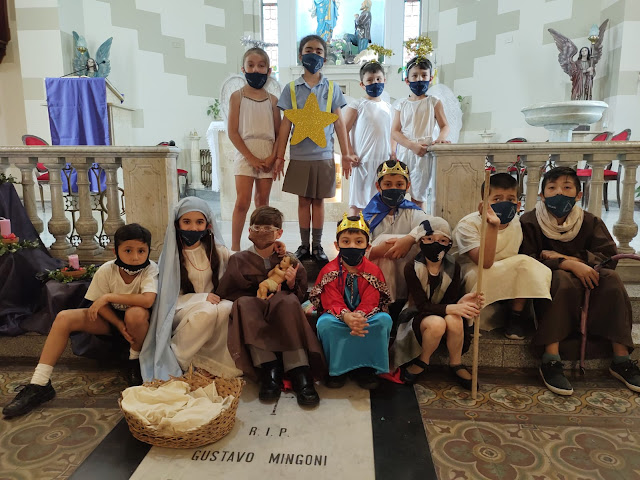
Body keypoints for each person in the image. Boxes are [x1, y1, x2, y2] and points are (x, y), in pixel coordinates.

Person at [2, 224, 158, 418]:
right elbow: (99, 305)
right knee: (64, 318)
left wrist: (109, 297)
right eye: (128, 250)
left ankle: (134, 361)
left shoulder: (150, 269)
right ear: (115, 251)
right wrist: (118, 324)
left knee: (135, 314)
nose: (135, 257)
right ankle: (40, 383)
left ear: (148, 251)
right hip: (111, 320)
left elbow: (147, 300)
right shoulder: (107, 270)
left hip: (139, 324)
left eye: (141, 251)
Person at [520, 167, 640, 395]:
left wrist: (573, 260)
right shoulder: (530, 222)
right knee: (562, 281)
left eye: (567, 187)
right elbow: (526, 260)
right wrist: (565, 265)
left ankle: (621, 359)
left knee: (612, 280)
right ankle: (551, 359)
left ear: (578, 194)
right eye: (552, 188)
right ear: (542, 195)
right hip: (551, 279)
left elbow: (607, 256)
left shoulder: (589, 221)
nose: (559, 193)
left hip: (590, 272)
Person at [216, 206, 326, 407]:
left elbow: (301, 293)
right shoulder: (239, 259)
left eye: (268, 228)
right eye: (257, 228)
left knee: (288, 301)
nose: (262, 232)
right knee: (243, 305)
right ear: (249, 231)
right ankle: (269, 368)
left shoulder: (288, 259)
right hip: (253, 302)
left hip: (281, 301)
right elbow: (228, 290)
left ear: (279, 233)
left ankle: (298, 369)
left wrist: (291, 283)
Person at [140, 197, 242, 383]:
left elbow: (242, 259)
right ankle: (179, 360)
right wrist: (202, 298)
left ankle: (212, 363)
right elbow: (169, 298)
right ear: (177, 224)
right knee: (206, 312)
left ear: (207, 225)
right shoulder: (172, 256)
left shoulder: (215, 251)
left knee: (228, 308)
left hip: (212, 304)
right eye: (187, 222)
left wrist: (270, 248)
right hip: (180, 309)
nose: (194, 228)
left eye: (199, 222)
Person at [275, 34, 356, 264]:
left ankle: (318, 245)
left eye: (319, 51)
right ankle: (304, 245)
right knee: (303, 201)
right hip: (300, 156)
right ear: (300, 55)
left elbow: (339, 124)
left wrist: (346, 154)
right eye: (309, 50)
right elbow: (285, 125)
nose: (314, 54)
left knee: (318, 201)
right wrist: (280, 156)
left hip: (323, 155)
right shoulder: (291, 89)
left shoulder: (331, 88)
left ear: (325, 58)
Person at [454, 173, 552, 338]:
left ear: (518, 204)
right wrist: (493, 226)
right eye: (497, 199)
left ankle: (515, 317)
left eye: (510, 199)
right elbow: (484, 262)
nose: (504, 203)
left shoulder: (518, 223)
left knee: (527, 265)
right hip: (473, 272)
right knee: (479, 274)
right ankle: (470, 320)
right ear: (484, 203)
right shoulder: (468, 224)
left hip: (504, 271)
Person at [391, 218, 482, 389]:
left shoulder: (453, 267)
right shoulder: (412, 267)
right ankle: (422, 361)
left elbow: (450, 301)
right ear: (421, 241)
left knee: (455, 320)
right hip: (418, 313)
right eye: (429, 239)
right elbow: (422, 305)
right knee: (437, 323)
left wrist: (461, 302)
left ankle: (456, 363)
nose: (435, 244)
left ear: (449, 244)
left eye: (442, 240)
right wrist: (452, 307)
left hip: (442, 309)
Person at [310, 213, 392, 390]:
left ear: (367, 246)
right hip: (337, 316)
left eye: (358, 242)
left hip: (367, 316)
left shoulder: (373, 271)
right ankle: (337, 370)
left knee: (383, 321)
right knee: (325, 324)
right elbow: (331, 299)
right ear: (337, 245)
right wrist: (346, 316)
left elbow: (372, 299)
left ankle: (367, 369)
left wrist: (359, 316)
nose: (352, 246)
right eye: (346, 241)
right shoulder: (329, 271)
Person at [228, 47, 281, 251]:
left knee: (262, 202)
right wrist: (250, 157)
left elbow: (279, 133)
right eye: (250, 65)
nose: (256, 70)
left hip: (267, 150)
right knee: (242, 201)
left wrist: (272, 156)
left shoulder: (273, 101)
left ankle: (263, 246)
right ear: (243, 68)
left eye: (261, 66)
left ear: (268, 70)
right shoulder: (237, 97)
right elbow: (233, 132)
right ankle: (235, 248)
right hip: (245, 152)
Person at [363, 160, 433, 302]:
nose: (394, 188)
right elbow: (356, 248)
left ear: (407, 186)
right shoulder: (368, 217)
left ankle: (412, 301)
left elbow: (433, 225)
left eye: (399, 184)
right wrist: (378, 251)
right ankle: (385, 302)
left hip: (408, 272)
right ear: (378, 186)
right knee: (384, 241)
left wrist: (409, 240)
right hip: (377, 275)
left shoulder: (412, 212)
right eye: (388, 184)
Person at [391, 56, 450, 209]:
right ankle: (400, 221)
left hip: (424, 153)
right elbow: (395, 132)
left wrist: (441, 138)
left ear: (430, 78)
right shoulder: (401, 104)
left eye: (424, 75)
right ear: (407, 80)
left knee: (418, 196)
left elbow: (445, 126)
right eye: (415, 75)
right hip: (406, 151)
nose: (419, 79)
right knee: (398, 192)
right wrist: (411, 145)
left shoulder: (434, 102)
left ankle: (418, 222)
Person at [344, 61, 394, 216]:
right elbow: (343, 130)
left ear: (384, 80)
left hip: (383, 161)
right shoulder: (357, 105)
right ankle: (353, 228)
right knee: (357, 201)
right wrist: (350, 153)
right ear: (362, 84)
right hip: (362, 161)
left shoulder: (388, 107)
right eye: (370, 80)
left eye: (378, 79)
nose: (375, 83)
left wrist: (393, 152)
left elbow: (392, 133)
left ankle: (377, 229)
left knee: (382, 200)